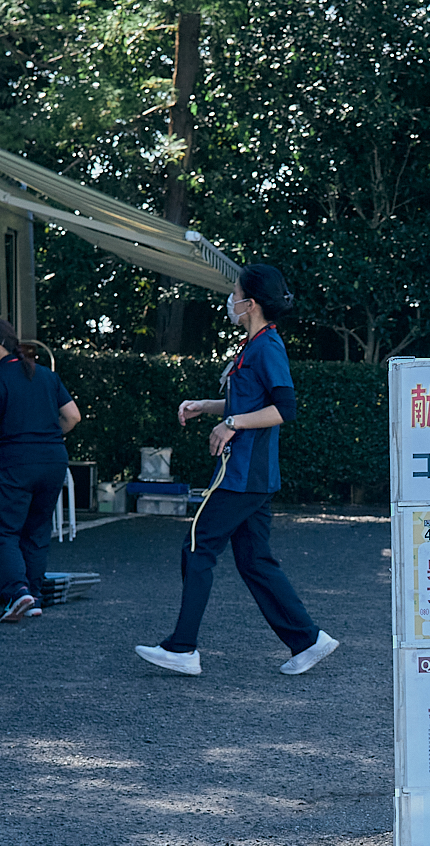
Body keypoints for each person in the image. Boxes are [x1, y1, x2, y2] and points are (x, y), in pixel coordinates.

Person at [135, 264, 337, 679]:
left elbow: (284, 409)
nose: (230, 299)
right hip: (253, 476)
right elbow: (249, 403)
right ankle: (308, 639)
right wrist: (207, 406)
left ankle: (183, 648)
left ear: (252, 303)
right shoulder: (255, 345)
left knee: (197, 548)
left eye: (235, 293)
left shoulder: (266, 347)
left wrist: (231, 424)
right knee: (255, 560)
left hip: (242, 474)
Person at [0, 319, 81, 623]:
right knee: (37, 530)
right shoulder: (47, 376)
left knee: (5, 529)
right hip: (53, 459)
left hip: (17, 461)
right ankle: (34, 596)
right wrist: (48, 438)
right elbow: (73, 416)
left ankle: (16, 591)